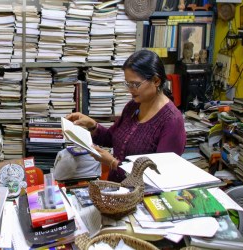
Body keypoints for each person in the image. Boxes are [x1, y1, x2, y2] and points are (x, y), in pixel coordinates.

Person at [66, 50, 186, 183]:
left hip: (143, 197)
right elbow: (112, 137)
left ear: (156, 81)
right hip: (117, 191)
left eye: (135, 84)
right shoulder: (133, 106)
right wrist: (92, 125)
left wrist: (113, 162)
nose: (130, 89)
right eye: (127, 84)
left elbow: (159, 176)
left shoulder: (171, 121)